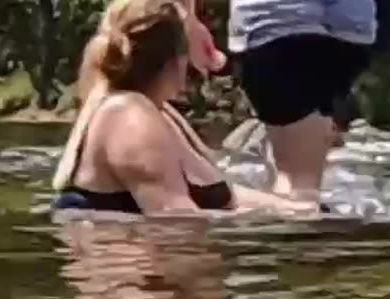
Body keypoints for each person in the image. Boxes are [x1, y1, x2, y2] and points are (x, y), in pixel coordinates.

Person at [52, 0, 309, 216]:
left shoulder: (158, 111)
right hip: (134, 274)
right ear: (176, 58)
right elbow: (176, 222)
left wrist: (295, 212)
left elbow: (226, 197)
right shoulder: (129, 118)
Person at [228, 0, 377, 200]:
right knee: (299, 182)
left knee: (294, 183)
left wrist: (188, 21)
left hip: (273, 23)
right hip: (344, 28)